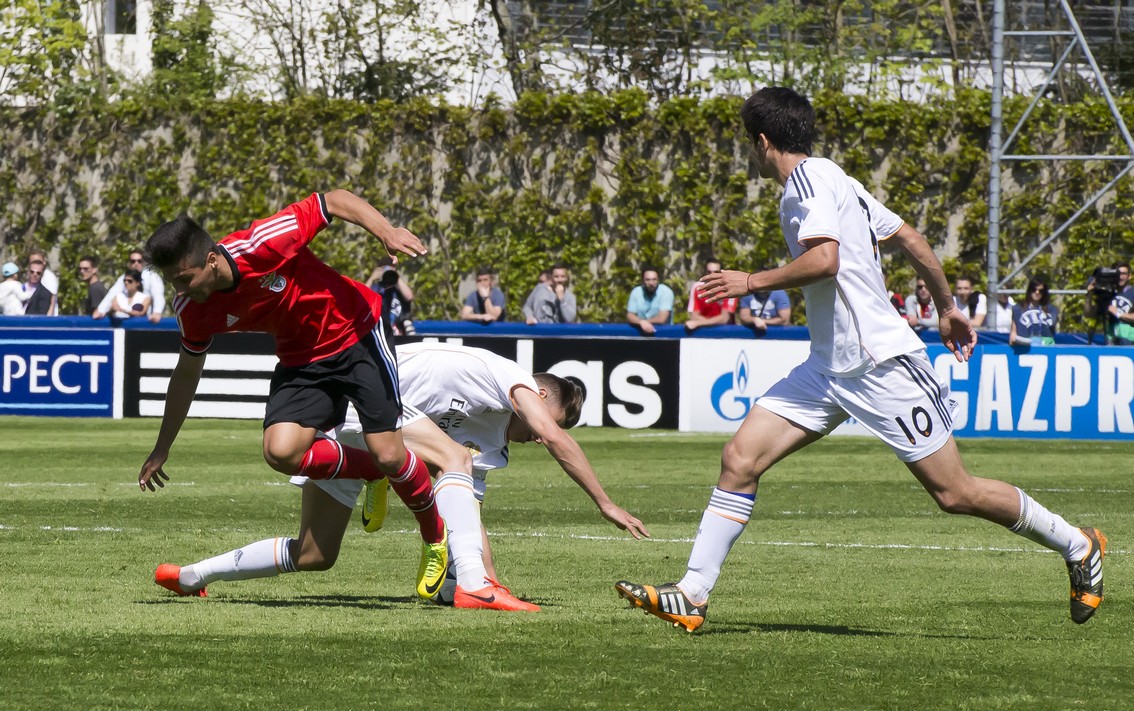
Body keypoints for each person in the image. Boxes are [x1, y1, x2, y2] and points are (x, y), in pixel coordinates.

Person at [615, 86, 1105, 632]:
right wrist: (946, 308)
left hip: (881, 366)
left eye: (749, 144)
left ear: (761, 140)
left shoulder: (808, 181)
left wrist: (748, 282)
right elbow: (912, 240)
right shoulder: (837, 178)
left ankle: (1079, 544)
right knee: (740, 459)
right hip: (828, 369)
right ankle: (692, 594)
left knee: (955, 493)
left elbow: (825, 261)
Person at [154, 343, 649, 612]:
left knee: (315, 555)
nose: (542, 438)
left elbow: (468, 510)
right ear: (540, 398)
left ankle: (193, 576)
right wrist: (604, 502)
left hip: (366, 433)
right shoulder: (508, 376)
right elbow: (559, 444)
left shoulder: (493, 437)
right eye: (549, 424)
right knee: (447, 459)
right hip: (352, 402)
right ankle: (399, 490)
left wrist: (494, 577)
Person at [139, 189, 448, 603]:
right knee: (280, 451)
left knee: (391, 453)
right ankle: (373, 472)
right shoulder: (192, 309)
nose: (180, 289)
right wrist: (162, 447)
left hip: (358, 334)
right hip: (302, 359)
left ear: (211, 259)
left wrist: (387, 232)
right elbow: (186, 375)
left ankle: (434, 536)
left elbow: (333, 200)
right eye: (171, 281)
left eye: (184, 278)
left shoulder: (264, 242)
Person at [94, 250, 167, 323]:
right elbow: (112, 293)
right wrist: (101, 310)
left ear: (143, 262)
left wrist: (157, 312)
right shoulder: (124, 278)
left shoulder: (152, 277)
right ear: (129, 264)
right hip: (127, 320)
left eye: (139, 261)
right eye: (133, 261)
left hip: (147, 320)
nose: (136, 263)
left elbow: (158, 296)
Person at [1084, 262, 1133, 345]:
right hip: (1111, 342)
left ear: (1129, 276)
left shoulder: (1132, 292)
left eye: (1124, 274)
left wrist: (1118, 313)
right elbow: (1089, 314)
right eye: (1118, 274)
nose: (1120, 277)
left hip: (1130, 342)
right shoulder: (1107, 294)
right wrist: (1089, 295)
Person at [685, 258, 737, 331]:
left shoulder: (729, 288)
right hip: (703, 333)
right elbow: (694, 316)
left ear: (721, 273)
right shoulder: (697, 288)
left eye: (716, 272)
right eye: (709, 272)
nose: (712, 275)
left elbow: (725, 318)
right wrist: (709, 323)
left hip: (725, 333)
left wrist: (698, 323)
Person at [368, 256, 415, 335]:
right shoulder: (376, 288)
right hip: (380, 330)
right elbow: (360, 296)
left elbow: (409, 296)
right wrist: (371, 278)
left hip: (399, 331)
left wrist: (395, 276)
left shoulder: (398, 288)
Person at [626, 266, 674, 335]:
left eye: (654, 279)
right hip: (640, 334)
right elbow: (630, 315)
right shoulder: (636, 292)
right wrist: (641, 322)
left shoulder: (666, 292)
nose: (651, 283)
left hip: (663, 334)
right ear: (642, 281)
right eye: (647, 280)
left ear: (658, 280)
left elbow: (662, 319)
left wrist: (644, 322)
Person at [1010, 277, 1058, 346]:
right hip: (1024, 349)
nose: (1037, 292)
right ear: (1029, 290)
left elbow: (1052, 330)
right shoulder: (1018, 308)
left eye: (1040, 291)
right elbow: (1013, 333)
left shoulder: (1051, 310)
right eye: (1034, 289)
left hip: (1045, 349)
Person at [26, 249, 59, 315]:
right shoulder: (30, 278)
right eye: (32, 262)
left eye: (38, 262)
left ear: (44, 262)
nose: (35, 264)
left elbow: (52, 300)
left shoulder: (49, 277)